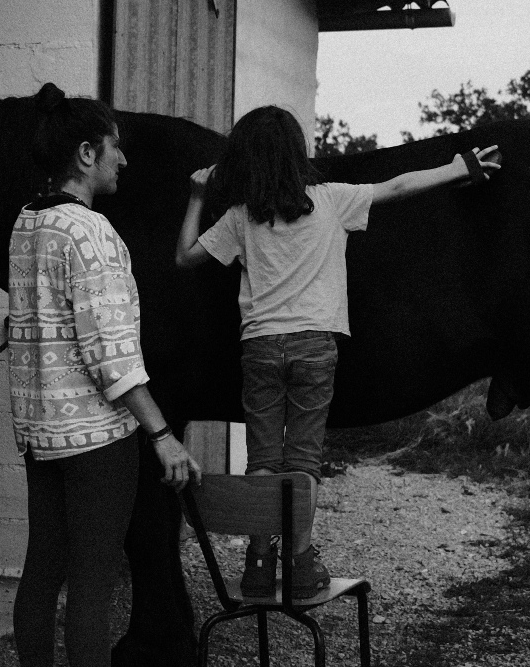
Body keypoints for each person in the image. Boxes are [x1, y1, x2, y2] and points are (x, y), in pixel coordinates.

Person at [175, 105, 498, 598]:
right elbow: (398, 186)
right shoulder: (329, 202)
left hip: (260, 348)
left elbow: (184, 258)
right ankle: (300, 566)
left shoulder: (240, 218)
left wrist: (198, 195)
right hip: (314, 347)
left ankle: (259, 566)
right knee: (302, 459)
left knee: (263, 459)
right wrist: (459, 168)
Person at [8, 82, 201, 667]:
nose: (123, 159)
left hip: (41, 431)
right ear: (86, 153)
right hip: (94, 439)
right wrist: (162, 435)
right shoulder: (92, 234)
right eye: (114, 146)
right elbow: (112, 356)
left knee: (42, 573)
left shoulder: (28, 223)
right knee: (92, 584)